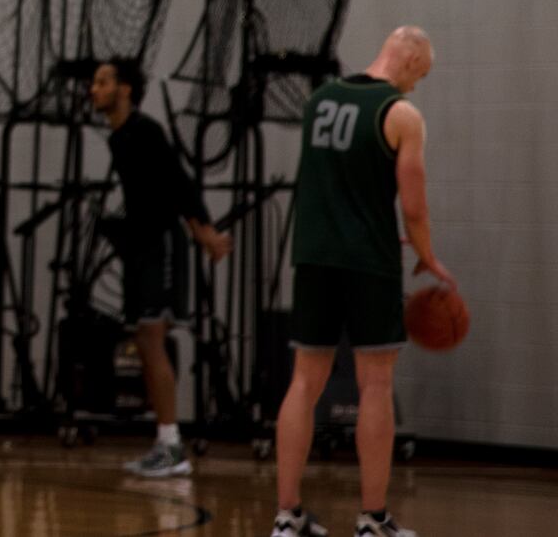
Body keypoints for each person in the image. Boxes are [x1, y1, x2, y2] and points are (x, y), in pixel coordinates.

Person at [269, 27, 454, 537]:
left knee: (304, 382)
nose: (418, 84)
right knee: (375, 384)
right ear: (411, 55)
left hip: (312, 256)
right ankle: (372, 520)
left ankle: (287, 517)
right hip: (368, 262)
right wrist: (428, 258)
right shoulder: (401, 114)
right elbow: (413, 206)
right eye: (422, 73)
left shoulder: (320, 100)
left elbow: (332, 184)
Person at [88, 58, 232, 478]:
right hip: (142, 248)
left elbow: (178, 184)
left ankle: (171, 447)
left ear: (125, 89)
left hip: (162, 247)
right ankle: (164, 442)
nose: (93, 90)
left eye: (102, 82)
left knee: (152, 338)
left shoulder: (144, 132)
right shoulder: (120, 138)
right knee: (145, 339)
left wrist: (203, 232)